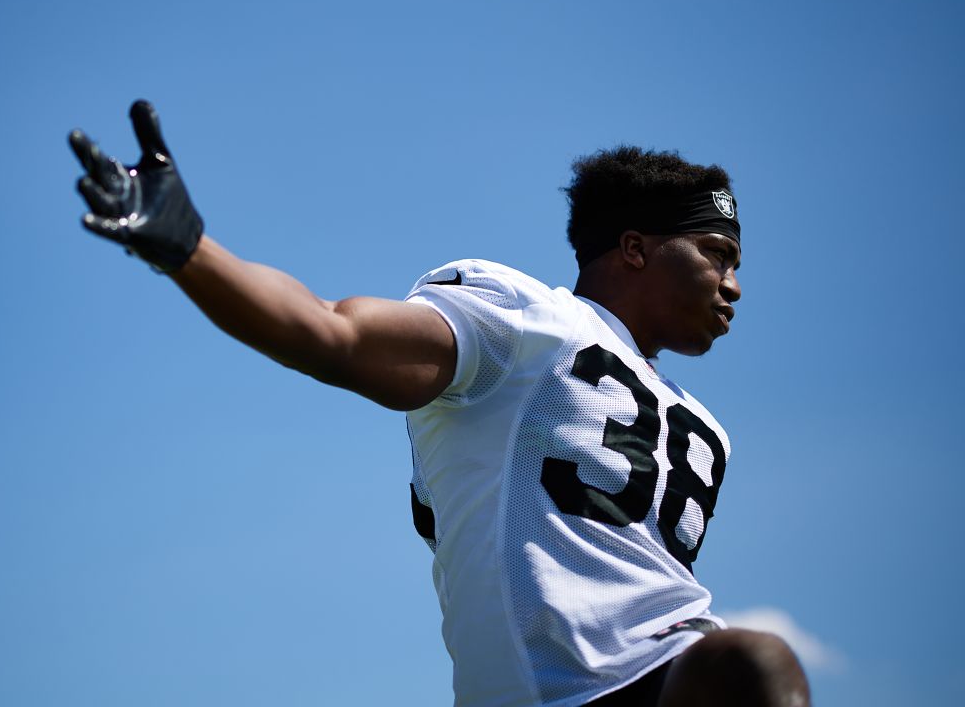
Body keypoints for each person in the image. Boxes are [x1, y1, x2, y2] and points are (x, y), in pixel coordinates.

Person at [68, 101, 812, 707]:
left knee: (743, 667)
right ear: (636, 248)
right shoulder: (530, 320)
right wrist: (188, 247)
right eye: (717, 253)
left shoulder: (706, 428)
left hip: (661, 674)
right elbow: (336, 335)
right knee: (750, 663)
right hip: (566, 692)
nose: (734, 284)